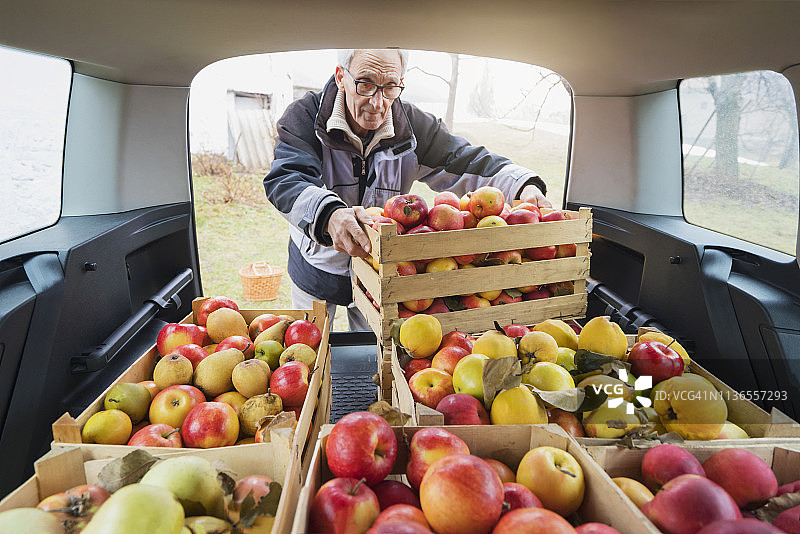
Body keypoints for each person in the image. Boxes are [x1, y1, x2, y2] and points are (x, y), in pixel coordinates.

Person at [264, 49, 553, 330]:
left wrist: (522, 183)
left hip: (381, 273)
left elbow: (468, 162)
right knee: (309, 351)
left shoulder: (414, 128)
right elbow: (288, 178)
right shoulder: (305, 118)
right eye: (365, 85)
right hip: (315, 267)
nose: (378, 103)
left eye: (390, 87)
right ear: (341, 77)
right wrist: (329, 215)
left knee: (371, 356)